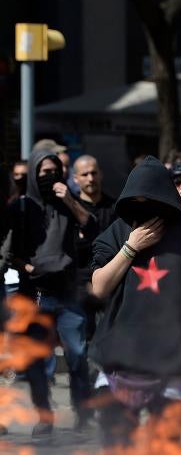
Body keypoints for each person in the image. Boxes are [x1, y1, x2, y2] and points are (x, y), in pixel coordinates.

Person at [90, 156, 181, 448]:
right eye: (137, 202)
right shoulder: (118, 232)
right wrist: (131, 247)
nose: (144, 208)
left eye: (150, 200)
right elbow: (99, 288)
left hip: (173, 363)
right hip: (120, 362)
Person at [2, 148, 94, 436]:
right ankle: (45, 417)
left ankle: (82, 414)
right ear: (34, 175)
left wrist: (68, 198)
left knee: (78, 356)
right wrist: (28, 269)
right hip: (37, 294)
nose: (51, 176)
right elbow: (10, 251)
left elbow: (91, 227)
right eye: (44, 172)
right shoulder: (22, 207)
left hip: (68, 294)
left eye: (55, 171)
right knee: (38, 363)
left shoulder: (68, 202)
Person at [73, 155, 117, 341]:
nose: (90, 178)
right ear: (76, 178)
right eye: (85, 174)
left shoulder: (114, 207)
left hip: (111, 279)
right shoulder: (70, 207)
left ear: (101, 174)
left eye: (94, 173)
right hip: (79, 283)